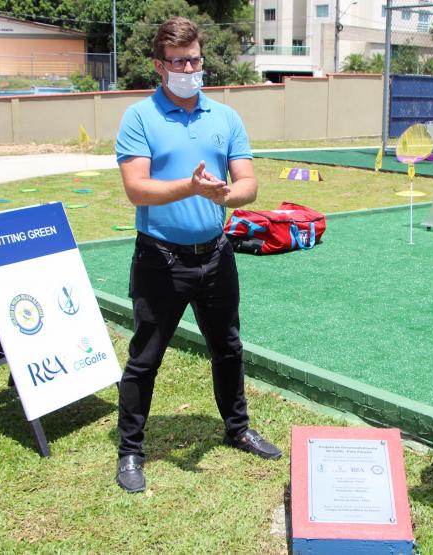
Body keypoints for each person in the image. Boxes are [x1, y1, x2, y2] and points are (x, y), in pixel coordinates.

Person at [113, 16, 281, 494]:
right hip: (160, 259)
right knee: (145, 357)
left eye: (195, 59)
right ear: (159, 66)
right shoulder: (140, 117)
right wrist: (188, 186)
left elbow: (248, 182)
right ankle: (130, 451)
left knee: (227, 347)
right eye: (179, 61)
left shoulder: (224, 117)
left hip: (216, 255)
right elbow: (136, 189)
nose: (189, 68)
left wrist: (226, 196)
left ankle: (238, 428)